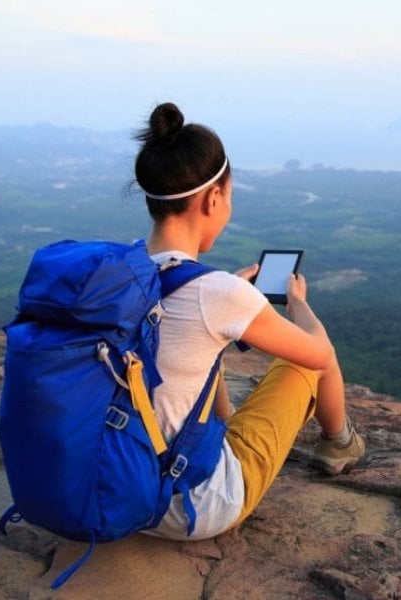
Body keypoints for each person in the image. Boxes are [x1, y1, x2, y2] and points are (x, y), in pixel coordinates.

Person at [133, 102, 364, 540]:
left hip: (113, 487)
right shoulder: (216, 293)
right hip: (189, 507)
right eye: (230, 196)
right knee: (304, 361)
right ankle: (339, 444)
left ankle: (225, 429)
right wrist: (297, 305)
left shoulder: (117, 275)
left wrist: (226, 312)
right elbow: (319, 352)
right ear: (214, 198)